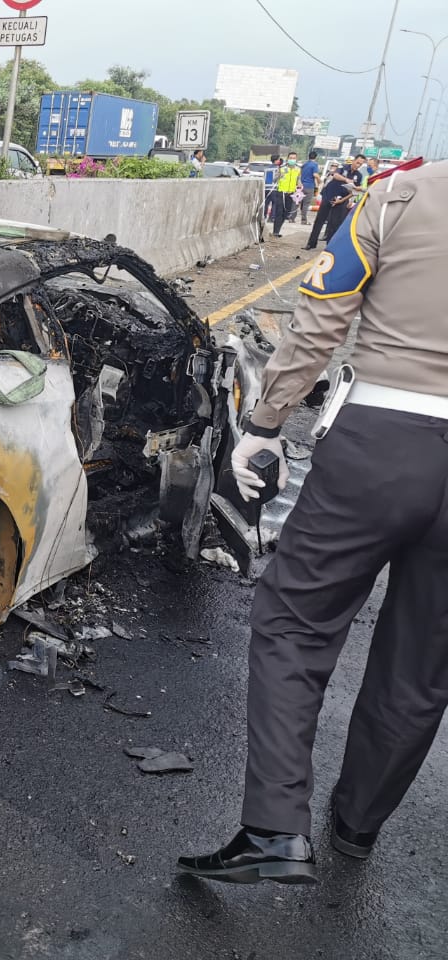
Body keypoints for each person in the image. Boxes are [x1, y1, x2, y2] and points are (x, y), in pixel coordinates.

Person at [177, 160, 448, 885]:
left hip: (380, 442)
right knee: (424, 663)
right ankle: (356, 826)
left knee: (294, 621)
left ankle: (274, 828)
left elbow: (322, 318)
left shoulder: (398, 196)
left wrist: (266, 423)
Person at [304, 155, 363, 250]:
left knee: (334, 224)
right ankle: (311, 243)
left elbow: (354, 191)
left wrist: (345, 200)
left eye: (361, 164)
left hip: (341, 200)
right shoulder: (343, 167)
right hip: (329, 195)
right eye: (357, 163)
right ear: (353, 161)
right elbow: (335, 175)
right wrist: (346, 179)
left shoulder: (358, 175)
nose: (358, 165)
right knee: (320, 220)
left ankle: (330, 246)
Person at [270, 153, 301, 236]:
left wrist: (299, 185)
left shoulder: (298, 169)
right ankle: (275, 232)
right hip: (281, 193)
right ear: (287, 159)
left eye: (294, 158)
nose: (292, 160)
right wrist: (279, 175)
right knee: (279, 212)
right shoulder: (282, 168)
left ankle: (277, 230)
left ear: (296, 159)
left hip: (291, 194)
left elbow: (298, 180)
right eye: (291, 158)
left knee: (286, 214)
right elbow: (274, 180)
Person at [298, 151, 320, 224]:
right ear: (316, 157)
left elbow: (300, 174)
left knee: (299, 202)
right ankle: (304, 220)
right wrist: (319, 181)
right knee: (306, 204)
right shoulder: (315, 164)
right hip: (309, 186)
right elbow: (315, 174)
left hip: (301, 185)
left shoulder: (305, 164)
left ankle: (292, 218)